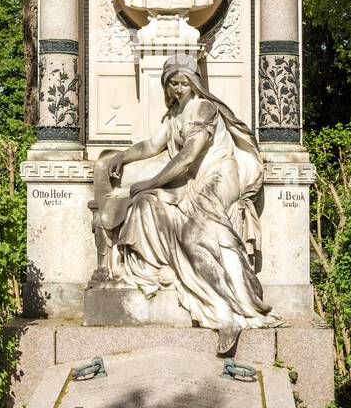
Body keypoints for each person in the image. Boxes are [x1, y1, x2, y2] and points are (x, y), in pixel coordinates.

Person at [102, 60, 275, 354]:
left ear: (194, 83)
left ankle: (229, 312)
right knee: (146, 204)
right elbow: (151, 146)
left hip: (218, 177)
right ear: (166, 85)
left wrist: (151, 181)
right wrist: (122, 156)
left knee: (194, 235)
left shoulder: (204, 108)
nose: (179, 89)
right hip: (190, 182)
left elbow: (188, 158)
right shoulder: (174, 115)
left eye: (184, 83)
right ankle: (151, 270)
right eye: (173, 83)